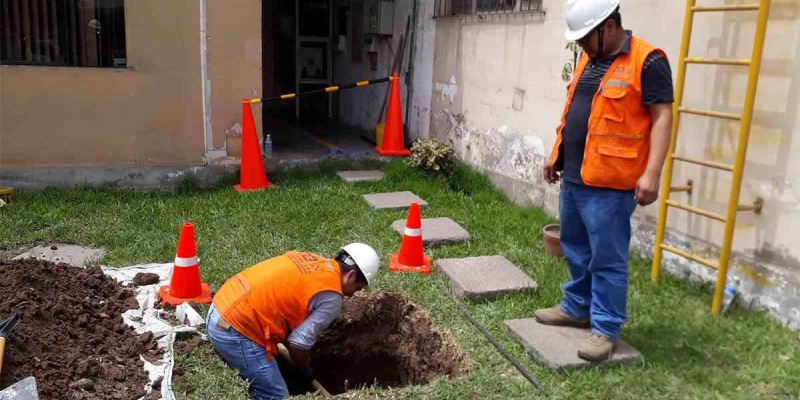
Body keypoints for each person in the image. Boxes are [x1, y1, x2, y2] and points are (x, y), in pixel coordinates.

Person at [535, 0, 674, 362]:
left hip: (612, 186)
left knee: (607, 259)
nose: (580, 45)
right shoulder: (589, 60)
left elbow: (662, 118)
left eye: (585, 38)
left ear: (608, 26)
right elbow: (577, 113)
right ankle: (577, 307)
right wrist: (557, 156)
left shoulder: (648, 61)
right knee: (576, 247)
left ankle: (606, 327)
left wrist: (653, 173)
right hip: (577, 176)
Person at [207, 243, 380, 399]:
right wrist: (305, 370)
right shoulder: (332, 297)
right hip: (234, 331)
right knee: (277, 395)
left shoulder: (311, 259)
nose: (352, 295)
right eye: (357, 288)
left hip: (220, 305)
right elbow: (298, 344)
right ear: (350, 275)